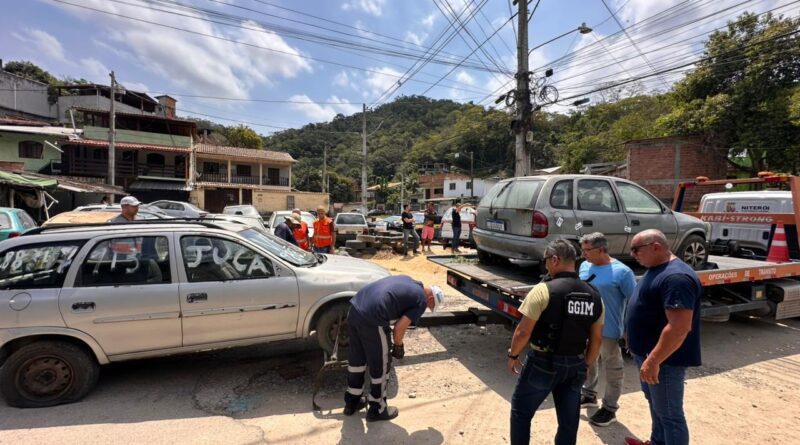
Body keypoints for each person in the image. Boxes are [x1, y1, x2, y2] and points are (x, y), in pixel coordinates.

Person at [507, 240, 604, 445]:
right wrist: (586, 363)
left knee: (521, 412)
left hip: (543, 362)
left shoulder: (543, 290)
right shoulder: (594, 295)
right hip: (576, 364)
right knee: (569, 422)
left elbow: (523, 332)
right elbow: (597, 338)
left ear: (554, 260)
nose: (545, 266)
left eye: (545, 261)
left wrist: (513, 355)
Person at [624, 229, 702, 445]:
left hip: (664, 362)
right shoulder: (657, 268)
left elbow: (679, 327)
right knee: (657, 406)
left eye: (636, 249)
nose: (633, 254)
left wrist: (654, 360)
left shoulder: (676, 277)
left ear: (655, 246)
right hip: (649, 356)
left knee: (670, 415)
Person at [344, 275, 444, 421]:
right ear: (430, 299)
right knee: (381, 365)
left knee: (357, 360)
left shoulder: (409, 280)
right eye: (430, 306)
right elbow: (399, 328)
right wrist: (398, 345)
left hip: (354, 310)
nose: (427, 308)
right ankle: (377, 409)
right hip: (373, 318)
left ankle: (351, 402)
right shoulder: (421, 300)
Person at [578, 232, 637, 427]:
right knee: (590, 361)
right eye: (583, 249)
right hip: (586, 327)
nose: (584, 254)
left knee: (613, 368)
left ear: (601, 249)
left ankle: (610, 408)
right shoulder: (585, 266)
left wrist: (630, 330)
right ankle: (589, 394)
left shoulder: (622, 272)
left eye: (587, 250)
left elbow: (633, 302)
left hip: (609, 330)